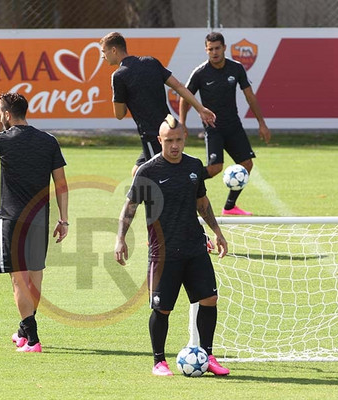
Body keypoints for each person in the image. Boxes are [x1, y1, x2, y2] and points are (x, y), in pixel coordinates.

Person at [114, 114, 231, 376]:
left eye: (178, 140)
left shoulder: (194, 165)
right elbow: (130, 207)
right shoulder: (148, 171)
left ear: (185, 139)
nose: (175, 146)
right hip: (163, 253)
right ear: (160, 140)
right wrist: (120, 238)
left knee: (209, 299)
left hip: (194, 247)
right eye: (169, 141)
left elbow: (202, 202)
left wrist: (217, 232)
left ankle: (208, 356)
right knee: (162, 308)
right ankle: (159, 361)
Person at [0, 92, 69, 353]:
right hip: (40, 218)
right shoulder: (48, 141)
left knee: (18, 280)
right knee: (35, 278)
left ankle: (32, 341)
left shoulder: (2, 140)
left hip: (12, 219)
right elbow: (61, 184)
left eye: (1, 112)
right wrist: (64, 220)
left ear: (7, 114)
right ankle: (24, 330)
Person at [100, 31, 217, 176]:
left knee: (160, 178)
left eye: (103, 52)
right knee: (138, 172)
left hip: (152, 134)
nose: (102, 56)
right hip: (170, 128)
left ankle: (192, 191)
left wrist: (117, 93)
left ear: (113, 50)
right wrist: (200, 108)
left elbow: (119, 114)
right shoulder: (151, 62)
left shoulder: (118, 76)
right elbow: (178, 86)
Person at [179, 31, 271, 216]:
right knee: (214, 169)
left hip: (233, 125)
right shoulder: (200, 73)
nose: (214, 52)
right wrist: (182, 123)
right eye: (210, 49)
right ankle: (185, 184)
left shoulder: (236, 68)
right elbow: (184, 98)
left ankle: (229, 207)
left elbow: (250, 96)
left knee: (247, 164)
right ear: (206, 50)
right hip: (213, 128)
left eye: (217, 48)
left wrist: (262, 123)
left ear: (224, 48)